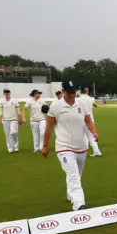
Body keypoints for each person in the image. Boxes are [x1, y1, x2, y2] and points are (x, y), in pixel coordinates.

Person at [42, 81, 99, 211]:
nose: (73, 94)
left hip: (81, 146)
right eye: (70, 92)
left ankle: (71, 194)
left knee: (76, 175)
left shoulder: (82, 104)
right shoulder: (55, 106)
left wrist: (94, 132)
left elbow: (88, 121)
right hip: (64, 147)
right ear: (63, 92)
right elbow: (49, 127)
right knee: (73, 174)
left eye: (74, 92)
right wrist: (45, 145)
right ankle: (79, 204)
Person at [78, 86, 103, 157]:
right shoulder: (90, 99)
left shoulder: (79, 99)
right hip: (91, 119)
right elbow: (95, 105)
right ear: (87, 91)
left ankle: (83, 151)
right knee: (91, 136)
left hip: (82, 119)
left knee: (81, 135)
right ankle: (97, 152)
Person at [0, 88, 21, 153]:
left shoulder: (14, 100)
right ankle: (10, 148)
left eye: (8, 92)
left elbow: (18, 110)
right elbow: (0, 111)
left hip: (14, 119)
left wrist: (20, 118)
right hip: (5, 120)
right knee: (7, 134)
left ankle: (16, 146)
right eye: (5, 92)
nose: (7, 93)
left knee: (13, 132)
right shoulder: (2, 101)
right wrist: (0, 119)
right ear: (4, 93)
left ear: (10, 93)